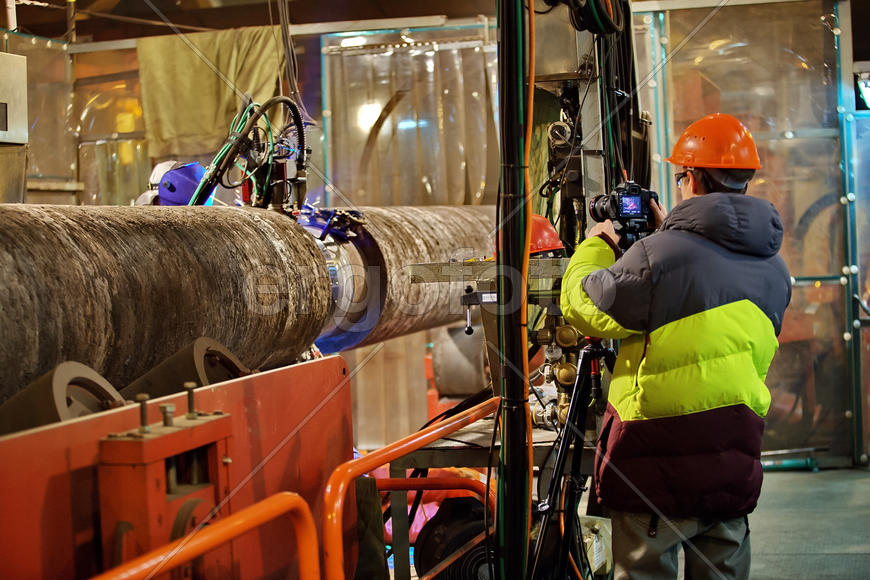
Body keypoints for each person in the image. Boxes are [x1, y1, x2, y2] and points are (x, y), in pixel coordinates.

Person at [560, 113, 792, 579]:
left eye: (682, 176)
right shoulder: (775, 268)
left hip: (653, 467)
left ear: (694, 179)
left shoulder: (657, 256)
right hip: (733, 460)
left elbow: (584, 308)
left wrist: (596, 246)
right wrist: (670, 235)